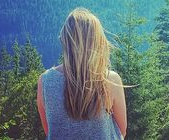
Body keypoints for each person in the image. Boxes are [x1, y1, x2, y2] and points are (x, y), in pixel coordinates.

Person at [37, 8, 127, 139]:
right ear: (97, 41)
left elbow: (50, 131)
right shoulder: (110, 79)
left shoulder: (45, 80)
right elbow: (121, 131)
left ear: (65, 39)